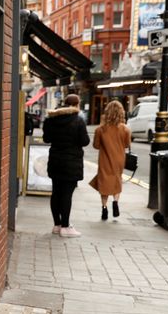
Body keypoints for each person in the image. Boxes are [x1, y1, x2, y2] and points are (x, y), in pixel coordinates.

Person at [42, 93, 90, 237]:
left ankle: (57, 225)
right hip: (71, 163)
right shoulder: (78, 121)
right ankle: (66, 226)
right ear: (77, 105)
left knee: (56, 193)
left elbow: (46, 139)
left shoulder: (51, 120)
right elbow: (85, 141)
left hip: (56, 161)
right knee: (67, 195)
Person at [89, 100, 131, 220]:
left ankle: (104, 208)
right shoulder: (125, 129)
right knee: (117, 180)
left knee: (104, 182)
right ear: (121, 113)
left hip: (105, 159)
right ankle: (116, 202)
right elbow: (127, 145)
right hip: (119, 159)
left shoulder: (100, 129)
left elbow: (96, 146)